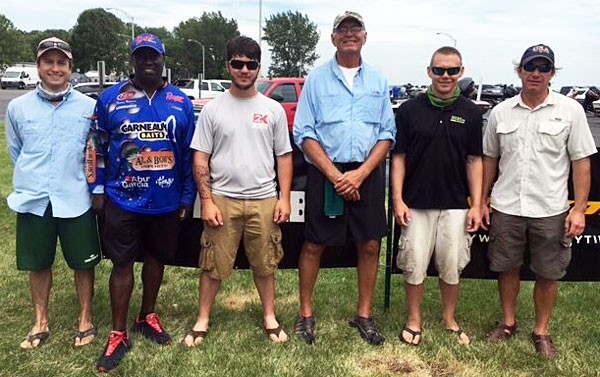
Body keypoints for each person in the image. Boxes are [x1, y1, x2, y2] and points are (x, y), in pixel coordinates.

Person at [88, 33, 195, 372]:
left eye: (154, 56)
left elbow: (190, 155)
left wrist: (187, 196)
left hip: (165, 200)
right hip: (122, 198)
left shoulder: (180, 101)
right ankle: (118, 332)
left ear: (163, 60)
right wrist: (97, 188)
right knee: (121, 264)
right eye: (141, 56)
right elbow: (96, 147)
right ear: (133, 60)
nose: (148, 62)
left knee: (156, 258)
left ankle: (146, 315)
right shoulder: (110, 99)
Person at [481, 44, 596, 359]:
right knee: (506, 267)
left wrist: (579, 208)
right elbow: (489, 159)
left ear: (552, 74)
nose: (536, 73)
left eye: (544, 68)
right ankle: (507, 323)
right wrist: (481, 201)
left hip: (550, 209)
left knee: (548, 272)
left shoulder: (570, 110)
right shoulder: (500, 112)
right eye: (530, 67)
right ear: (519, 71)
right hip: (506, 206)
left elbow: (581, 162)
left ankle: (541, 331)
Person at [182, 36, 293, 347]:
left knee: (265, 264)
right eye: (238, 64)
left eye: (251, 64)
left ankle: (269, 316)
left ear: (258, 68)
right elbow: (200, 157)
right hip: (222, 200)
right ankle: (202, 319)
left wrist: (284, 197)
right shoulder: (213, 110)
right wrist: (206, 201)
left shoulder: (273, 110)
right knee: (213, 264)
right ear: (228, 65)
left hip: (264, 201)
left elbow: (284, 156)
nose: (244, 70)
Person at [292, 11, 395, 346]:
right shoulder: (316, 79)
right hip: (327, 172)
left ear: (365, 37)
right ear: (333, 38)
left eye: (356, 29)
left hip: (367, 172)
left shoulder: (378, 80)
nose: (350, 34)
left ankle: (363, 315)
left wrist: (362, 173)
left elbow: (387, 133)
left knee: (369, 244)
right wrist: (338, 176)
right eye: (343, 29)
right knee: (314, 243)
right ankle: (305, 313)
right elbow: (304, 132)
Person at [5, 37, 100, 349]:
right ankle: (40, 321)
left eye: (61, 62)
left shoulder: (90, 108)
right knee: (38, 263)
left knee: (83, 263)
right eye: (49, 62)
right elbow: (16, 151)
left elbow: (96, 151)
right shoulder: (18, 108)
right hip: (34, 199)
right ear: (39, 67)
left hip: (75, 198)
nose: (55, 68)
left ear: (70, 68)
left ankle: (85, 319)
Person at [391, 46, 483, 346]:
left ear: (461, 72)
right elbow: (399, 157)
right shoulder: (408, 110)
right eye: (439, 70)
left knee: (452, 262)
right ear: (429, 71)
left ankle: (449, 319)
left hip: (456, 204)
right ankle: (414, 319)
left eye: (452, 70)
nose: (445, 76)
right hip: (416, 203)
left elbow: (474, 160)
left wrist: (477, 204)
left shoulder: (471, 112)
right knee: (414, 261)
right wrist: (397, 199)